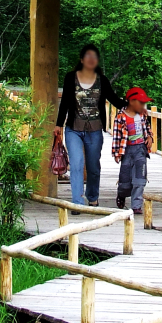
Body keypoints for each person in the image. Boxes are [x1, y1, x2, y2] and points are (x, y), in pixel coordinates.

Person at [55, 44, 126, 210]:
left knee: (93, 166)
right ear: (81, 59)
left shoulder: (102, 80)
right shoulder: (70, 78)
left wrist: (133, 106)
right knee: (77, 163)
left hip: (95, 130)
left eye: (94, 56)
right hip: (74, 128)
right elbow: (64, 102)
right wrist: (58, 125)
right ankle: (77, 203)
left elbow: (115, 100)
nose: (91, 58)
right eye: (88, 55)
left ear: (97, 61)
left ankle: (92, 197)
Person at [112, 87, 154, 214]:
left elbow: (147, 128)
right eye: (141, 103)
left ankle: (136, 205)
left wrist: (150, 137)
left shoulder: (142, 115)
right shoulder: (121, 116)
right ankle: (122, 194)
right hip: (126, 150)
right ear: (131, 101)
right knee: (125, 180)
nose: (143, 105)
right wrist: (116, 152)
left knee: (140, 178)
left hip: (140, 149)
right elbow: (116, 135)